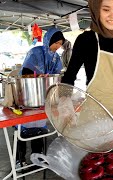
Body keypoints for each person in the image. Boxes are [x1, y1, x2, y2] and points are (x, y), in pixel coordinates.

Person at [16, 27, 65, 168]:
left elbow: (57, 73)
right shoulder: (35, 52)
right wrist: (38, 76)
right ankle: (20, 160)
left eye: (60, 44)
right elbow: (25, 72)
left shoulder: (56, 57)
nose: (58, 46)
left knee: (39, 128)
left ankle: (37, 158)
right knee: (23, 131)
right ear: (48, 40)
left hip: (44, 97)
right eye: (56, 43)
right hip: (28, 95)